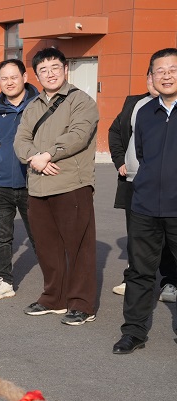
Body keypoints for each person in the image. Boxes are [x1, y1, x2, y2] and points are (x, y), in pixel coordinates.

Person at [14, 47, 99, 326]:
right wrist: (34, 159)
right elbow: (20, 140)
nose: (49, 74)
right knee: (47, 247)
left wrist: (47, 155)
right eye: (43, 70)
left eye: (54, 68)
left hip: (71, 183)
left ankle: (82, 304)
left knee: (78, 247)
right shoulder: (33, 105)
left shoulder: (81, 100)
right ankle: (54, 298)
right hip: (38, 186)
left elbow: (78, 135)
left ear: (65, 69)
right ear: (36, 75)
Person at [113, 48, 177, 354]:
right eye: (159, 70)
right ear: (151, 76)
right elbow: (138, 154)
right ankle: (133, 332)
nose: (166, 75)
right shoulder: (144, 111)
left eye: (172, 69)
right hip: (144, 206)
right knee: (139, 271)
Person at [0, 59, 39, 299]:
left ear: (25, 77)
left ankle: (57, 282)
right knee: (1, 237)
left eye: (14, 77)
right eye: (4, 78)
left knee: (40, 235)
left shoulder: (39, 106)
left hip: (32, 183)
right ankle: (4, 280)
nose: (9, 82)